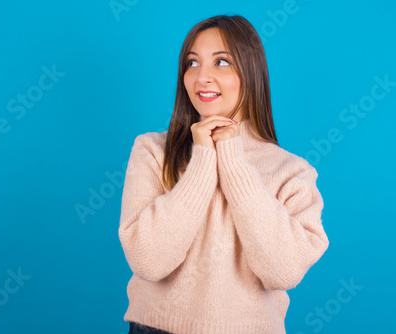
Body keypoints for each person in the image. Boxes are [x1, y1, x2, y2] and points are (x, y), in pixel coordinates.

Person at [118, 14, 329, 334]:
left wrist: (231, 159)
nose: (202, 77)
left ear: (251, 71)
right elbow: (149, 261)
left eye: (221, 62)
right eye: (192, 63)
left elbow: (283, 271)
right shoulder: (152, 151)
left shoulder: (292, 172)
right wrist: (203, 159)